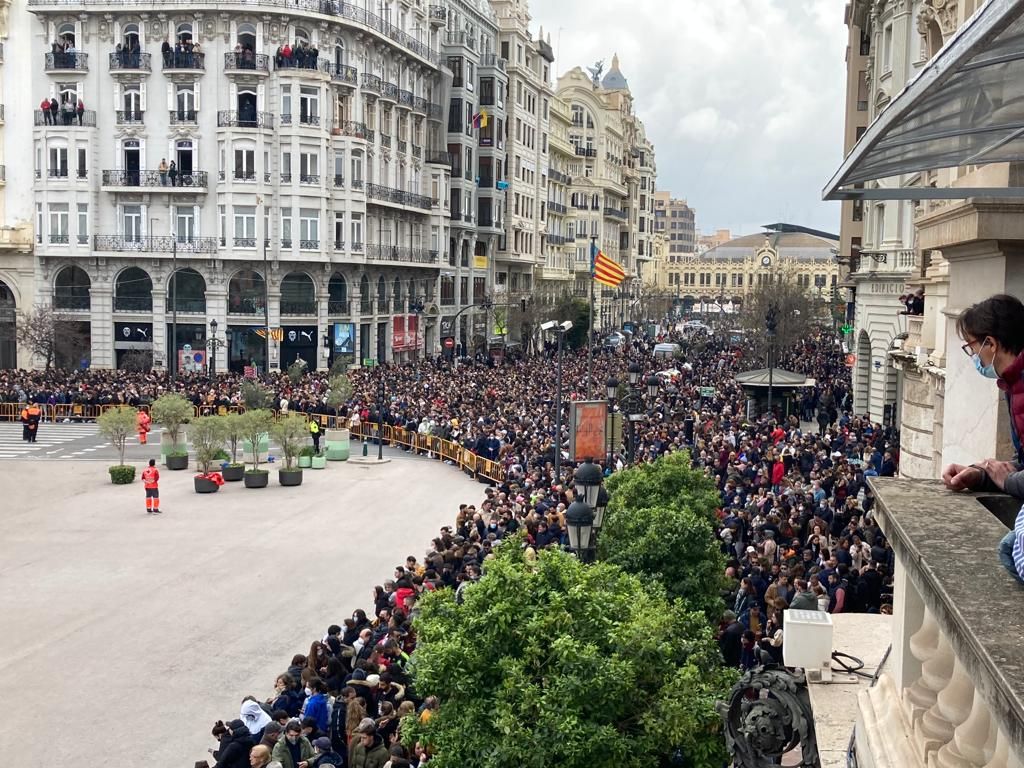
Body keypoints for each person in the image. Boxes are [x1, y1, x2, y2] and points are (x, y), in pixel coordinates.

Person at [943, 294, 1024, 584]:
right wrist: (981, 475)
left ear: (991, 343)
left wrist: (1006, 481)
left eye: (972, 347)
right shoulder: (1014, 383)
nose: (974, 358)